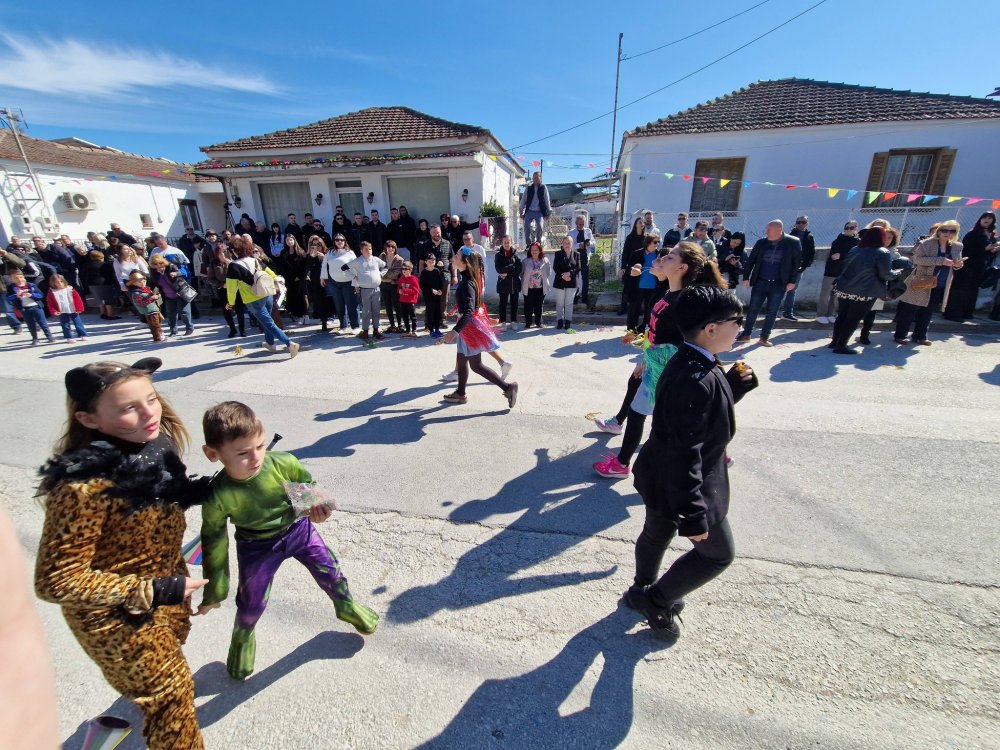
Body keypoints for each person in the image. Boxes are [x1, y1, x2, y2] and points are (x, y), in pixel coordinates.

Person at [35, 358, 211, 748]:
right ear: (89, 420)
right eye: (129, 408)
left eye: (151, 398)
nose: (150, 412)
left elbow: (171, 501)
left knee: (172, 657)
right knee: (173, 694)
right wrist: (154, 590)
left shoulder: (155, 444)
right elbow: (55, 580)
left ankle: (142, 702)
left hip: (169, 587)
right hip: (114, 615)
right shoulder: (83, 485)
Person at [196, 401, 378, 680]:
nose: (256, 457)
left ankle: (346, 605)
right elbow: (214, 542)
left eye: (260, 445)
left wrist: (316, 510)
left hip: (298, 531)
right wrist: (215, 592)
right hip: (256, 547)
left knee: (331, 572)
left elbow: (308, 491)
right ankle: (242, 638)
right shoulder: (217, 495)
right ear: (213, 453)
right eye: (243, 452)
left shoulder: (283, 463)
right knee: (251, 603)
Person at [625, 286, 757, 642]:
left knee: (657, 532)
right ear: (711, 329)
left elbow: (698, 420)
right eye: (736, 322)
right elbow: (685, 450)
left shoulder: (694, 361)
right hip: (683, 483)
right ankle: (655, 599)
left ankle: (641, 589)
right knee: (717, 555)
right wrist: (694, 513)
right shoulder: (692, 375)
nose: (741, 328)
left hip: (663, 477)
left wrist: (732, 388)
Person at [593, 243, 726, 478]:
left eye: (670, 257)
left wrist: (657, 366)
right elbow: (657, 334)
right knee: (658, 419)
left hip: (668, 374)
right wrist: (645, 357)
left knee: (663, 422)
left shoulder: (685, 302)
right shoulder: (669, 293)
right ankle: (709, 452)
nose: (662, 259)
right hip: (656, 369)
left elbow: (690, 343)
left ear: (682, 267)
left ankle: (624, 465)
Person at [442, 249, 518, 407]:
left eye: (457, 256)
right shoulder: (468, 279)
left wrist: (455, 331)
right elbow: (471, 303)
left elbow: (470, 310)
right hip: (467, 327)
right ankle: (461, 393)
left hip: (468, 328)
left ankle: (508, 388)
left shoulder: (467, 283)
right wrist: (457, 307)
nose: (453, 258)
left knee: (476, 365)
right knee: (461, 360)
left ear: (464, 263)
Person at [828, 226, 900, 355]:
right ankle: (841, 345)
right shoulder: (882, 252)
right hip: (865, 291)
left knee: (842, 316)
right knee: (853, 319)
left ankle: (835, 342)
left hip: (844, 288)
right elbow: (886, 274)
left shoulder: (855, 249)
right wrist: (898, 272)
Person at [893, 220, 964, 346]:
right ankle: (900, 335)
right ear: (939, 231)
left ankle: (920, 336)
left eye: (952, 231)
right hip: (921, 280)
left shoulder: (957, 246)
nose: (948, 233)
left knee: (928, 311)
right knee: (910, 309)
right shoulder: (926, 243)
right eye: (945, 230)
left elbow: (956, 263)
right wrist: (940, 260)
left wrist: (958, 264)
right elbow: (917, 259)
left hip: (940, 282)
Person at [226, 240, 300, 358]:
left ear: (234, 251)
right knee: (266, 322)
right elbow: (271, 274)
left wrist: (230, 303)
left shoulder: (233, 266)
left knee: (269, 323)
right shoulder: (256, 260)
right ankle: (270, 344)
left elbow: (231, 289)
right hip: (267, 294)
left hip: (252, 299)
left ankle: (290, 343)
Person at [736, 220, 803, 347]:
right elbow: (751, 261)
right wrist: (746, 277)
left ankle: (764, 337)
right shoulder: (761, 243)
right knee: (753, 309)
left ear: (779, 230)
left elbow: (797, 264)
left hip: (779, 283)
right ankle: (746, 334)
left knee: (772, 311)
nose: (766, 232)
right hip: (761, 281)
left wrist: (792, 281)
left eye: (769, 230)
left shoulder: (792, 242)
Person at [945, 211, 998, 320]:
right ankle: (954, 314)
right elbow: (966, 250)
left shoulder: (991, 234)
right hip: (967, 266)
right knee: (961, 290)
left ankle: (967, 313)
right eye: (985, 217)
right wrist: (984, 249)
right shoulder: (973, 233)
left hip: (980, 266)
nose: (986, 220)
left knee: (973, 290)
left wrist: (993, 250)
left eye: (989, 218)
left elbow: (988, 251)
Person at [817, 220, 859, 324]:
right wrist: (842, 256)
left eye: (851, 228)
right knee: (825, 294)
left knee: (836, 295)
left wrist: (842, 256)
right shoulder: (838, 240)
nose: (848, 229)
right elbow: (834, 256)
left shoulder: (858, 242)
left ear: (856, 229)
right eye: (847, 227)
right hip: (831, 271)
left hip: (845, 272)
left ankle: (832, 314)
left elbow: (853, 256)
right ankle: (821, 314)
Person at [346, 241, 387, 341]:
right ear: (361, 251)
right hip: (365, 290)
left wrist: (381, 274)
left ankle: (376, 330)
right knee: (366, 311)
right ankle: (365, 331)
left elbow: (385, 266)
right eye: (366, 249)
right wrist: (353, 276)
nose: (368, 251)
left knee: (376, 310)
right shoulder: (357, 261)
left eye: (370, 249)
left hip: (376, 289)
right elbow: (344, 268)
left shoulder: (376, 259)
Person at [320, 234, 359, 331]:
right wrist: (322, 278)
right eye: (337, 240)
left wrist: (357, 283)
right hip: (334, 282)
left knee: (351, 305)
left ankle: (355, 326)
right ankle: (343, 326)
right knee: (339, 305)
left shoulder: (350, 253)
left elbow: (355, 267)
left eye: (342, 240)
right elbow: (324, 265)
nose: (339, 241)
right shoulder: (329, 253)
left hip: (348, 282)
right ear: (334, 241)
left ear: (345, 241)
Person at [149, 255, 194, 337]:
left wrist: (176, 273)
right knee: (171, 314)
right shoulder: (154, 272)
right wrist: (155, 292)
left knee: (184, 312)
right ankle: (173, 331)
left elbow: (184, 272)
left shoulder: (171, 266)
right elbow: (154, 283)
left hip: (181, 293)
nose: (159, 266)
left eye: (160, 263)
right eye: (156, 265)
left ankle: (189, 328)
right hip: (168, 295)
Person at [780, 215, 815, 320]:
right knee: (780, 289)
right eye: (798, 222)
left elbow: (812, 252)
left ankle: (787, 313)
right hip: (786, 268)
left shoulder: (809, 237)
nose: (800, 224)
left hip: (799, 269)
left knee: (792, 290)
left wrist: (805, 265)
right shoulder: (789, 236)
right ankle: (773, 311)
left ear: (807, 223)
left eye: (803, 222)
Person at [626, 236, 663, 334]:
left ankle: (644, 331)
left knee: (649, 311)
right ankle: (631, 330)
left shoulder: (659, 255)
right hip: (638, 286)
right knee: (634, 310)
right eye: (655, 242)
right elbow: (629, 270)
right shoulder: (637, 253)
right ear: (648, 243)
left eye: (658, 242)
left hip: (653, 287)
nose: (657, 244)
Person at [8, 267, 54, 343]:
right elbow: (9, 298)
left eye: (20, 277)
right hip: (25, 308)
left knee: (42, 322)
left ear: (23, 277)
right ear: (11, 279)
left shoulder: (30, 285)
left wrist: (31, 295)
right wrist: (16, 295)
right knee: (30, 324)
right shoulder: (11, 287)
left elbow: (40, 295)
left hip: (36, 306)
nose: (19, 279)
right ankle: (35, 339)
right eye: (15, 278)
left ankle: (49, 336)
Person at [45, 273, 89, 342]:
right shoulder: (52, 292)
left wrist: (79, 308)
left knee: (78, 323)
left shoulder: (69, 289)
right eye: (57, 282)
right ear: (53, 283)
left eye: (61, 281)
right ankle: (69, 337)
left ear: (64, 281)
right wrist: (53, 310)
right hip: (62, 311)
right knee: (65, 325)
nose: (59, 283)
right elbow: (50, 303)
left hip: (72, 309)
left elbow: (77, 299)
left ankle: (83, 334)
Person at [619, 217, 648, 314]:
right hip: (630, 266)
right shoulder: (630, 237)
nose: (642, 224)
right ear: (635, 224)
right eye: (640, 222)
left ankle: (637, 309)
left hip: (642, 266)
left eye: (643, 223)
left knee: (639, 288)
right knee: (627, 288)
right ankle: (623, 308)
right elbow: (625, 253)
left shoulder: (646, 238)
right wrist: (623, 267)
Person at [126, 270, 165, 341]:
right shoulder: (136, 293)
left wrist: (156, 296)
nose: (142, 283)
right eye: (139, 282)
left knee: (158, 323)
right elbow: (141, 303)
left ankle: (160, 334)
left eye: (144, 281)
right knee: (154, 325)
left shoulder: (145, 289)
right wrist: (151, 298)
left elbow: (149, 297)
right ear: (133, 283)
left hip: (154, 309)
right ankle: (157, 337)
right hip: (149, 311)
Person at [552, 235, 581, 330]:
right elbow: (555, 267)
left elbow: (578, 268)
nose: (567, 245)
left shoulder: (577, 254)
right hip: (560, 281)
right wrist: (564, 276)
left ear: (572, 244)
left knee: (569, 303)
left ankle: (568, 322)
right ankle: (560, 321)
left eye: (569, 243)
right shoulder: (558, 254)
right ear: (562, 244)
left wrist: (569, 274)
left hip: (572, 281)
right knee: (560, 303)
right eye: (565, 243)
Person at [494, 235, 522, 330]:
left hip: (515, 283)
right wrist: (511, 266)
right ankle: (503, 322)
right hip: (503, 283)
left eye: (508, 242)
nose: (506, 244)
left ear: (511, 242)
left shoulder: (516, 254)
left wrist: (507, 272)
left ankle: (514, 321)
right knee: (503, 303)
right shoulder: (498, 255)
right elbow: (499, 269)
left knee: (514, 303)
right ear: (502, 243)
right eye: (504, 242)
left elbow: (519, 268)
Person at [521, 241, 551, 329]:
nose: (534, 251)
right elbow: (521, 273)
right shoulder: (525, 261)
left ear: (540, 250)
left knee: (539, 306)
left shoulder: (545, 260)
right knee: (528, 306)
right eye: (532, 250)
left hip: (540, 287)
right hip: (528, 287)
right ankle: (528, 323)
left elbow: (548, 272)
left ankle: (539, 323)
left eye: (536, 250)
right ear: (530, 251)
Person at [519, 171, 551, 245]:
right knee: (526, 225)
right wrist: (521, 211)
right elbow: (523, 200)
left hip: (539, 211)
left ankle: (538, 243)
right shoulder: (529, 188)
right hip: (529, 211)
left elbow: (547, 199)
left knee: (540, 226)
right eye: (534, 177)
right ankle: (528, 244)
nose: (535, 179)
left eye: (537, 177)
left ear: (540, 178)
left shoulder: (543, 187)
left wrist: (548, 212)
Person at [380, 240, 405, 332]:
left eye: (393, 247)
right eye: (388, 246)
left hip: (394, 284)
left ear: (395, 248)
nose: (390, 249)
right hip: (383, 284)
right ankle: (392, 325)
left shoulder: (399, 259)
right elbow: (378, 269)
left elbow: (395, 274)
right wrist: (386, 273)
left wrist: (384, 273)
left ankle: (400, 325)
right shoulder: (381, 256)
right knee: (387, 305)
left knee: (397, 305)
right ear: (385, 248)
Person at [420, 252, 446, 337]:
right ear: (426, 262)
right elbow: (422, 286)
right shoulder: (424, 273)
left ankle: (437, 329)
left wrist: (440, 290)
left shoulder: (437, 271)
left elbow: (441, 283)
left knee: (438, 312)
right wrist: (431, 290)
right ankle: (431, 330)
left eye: (433, 261)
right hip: (428, 296)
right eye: (430, 261)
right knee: (430, 313)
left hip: (437, 296)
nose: (431, 263)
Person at [571, 214, 595, 305]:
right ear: (576, 223)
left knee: (586, 278)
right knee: (575, 278)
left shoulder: (588, 231)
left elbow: (593, 241)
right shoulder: (571, 232)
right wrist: (578, 245)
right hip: (575, 257)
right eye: (579, 224)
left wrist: (589, 243)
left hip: (585, 256)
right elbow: (569, 246)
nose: (581, 226)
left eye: (582, 224)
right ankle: (575, 297)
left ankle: (585, 297)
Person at [397, 260, 421, 337]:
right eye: (402, 269)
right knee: (404, 316)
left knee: (412, 316)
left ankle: (414, 330)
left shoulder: (413, 279)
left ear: (410, 270)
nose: (403, 270)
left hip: (411, 300)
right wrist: (399, 290)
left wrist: (404, 290)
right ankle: (408, 330)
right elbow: (398, 287)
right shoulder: (401, 278)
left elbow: (416, 290)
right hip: (403, 300)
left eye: (405, 269)